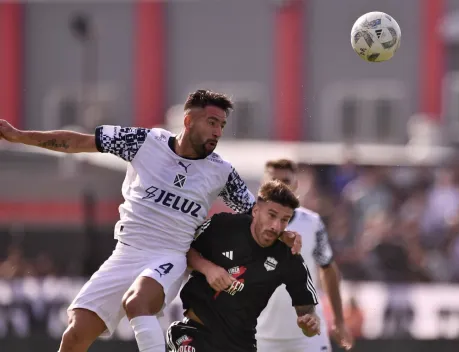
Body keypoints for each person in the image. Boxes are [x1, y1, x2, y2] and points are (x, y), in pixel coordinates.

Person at [0, 89, 300, 352]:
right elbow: (78, 142)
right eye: (211, 122)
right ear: (188, 121)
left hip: (170, 255)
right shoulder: (145, 142)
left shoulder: (221, 171)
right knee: (75, 333)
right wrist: (19, 136)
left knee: (137, 302)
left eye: (221, 125)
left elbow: (256, 212)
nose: (218, 132)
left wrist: (283, 232)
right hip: (126, 251)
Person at [166, 180, 321, 352]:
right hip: (196, 333)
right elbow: (183, 250)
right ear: (255, 211)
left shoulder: (289, 257)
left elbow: (306, 311)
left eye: (284, 220)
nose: (276, 226)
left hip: (241, 343)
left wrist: (309, 323)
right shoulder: (224, 225)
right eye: (271, 215)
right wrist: (207, 268)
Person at [256, 159, 354, 351]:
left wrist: (339, 320)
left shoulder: (312, 223)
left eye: (285, 180)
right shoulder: (246, 223)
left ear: (296, 184)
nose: (279, 185)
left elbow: (327, 268)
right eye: (273, 179)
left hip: (308, 335)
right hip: (259, 335)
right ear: (263, 184)